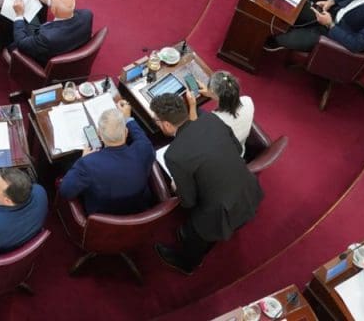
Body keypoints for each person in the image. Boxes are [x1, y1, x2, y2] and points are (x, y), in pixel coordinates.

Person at [150, 92, 262, 274]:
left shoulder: (174, 154)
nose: (157, 124)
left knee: (195, 232)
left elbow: (188, 202)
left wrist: (177, 186)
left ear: (167, 125)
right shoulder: (211, 119)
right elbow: (236, 148)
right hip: (249, 190)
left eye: (156, 121)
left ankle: (188, 264)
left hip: (220, 213)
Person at [58, 101, 155, 215]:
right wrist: (128, 118)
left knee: (67, 164)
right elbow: (141, 137)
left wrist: (82, 159)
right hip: (138, 210)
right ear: (126, 132)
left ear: (99, 134)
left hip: (102, 217)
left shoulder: (88, 163)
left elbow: (65, 191)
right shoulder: (144, 149)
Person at [10, 0, 93, 64]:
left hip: (45, 61)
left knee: (13, 43)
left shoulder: (46, 37)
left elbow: (21, 43)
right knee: (33, 21)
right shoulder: (87, 15)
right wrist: (48, 1)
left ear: (53, 10)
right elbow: (69, 9)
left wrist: (19, 15)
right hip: (68, 48)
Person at [187, 70, 255, 155]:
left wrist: (192, 105)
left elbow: (193, 133)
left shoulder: (214, 120)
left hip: (219, 155)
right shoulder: (248, 100)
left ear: (213, 92)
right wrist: (210, 93)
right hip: (237, 149)